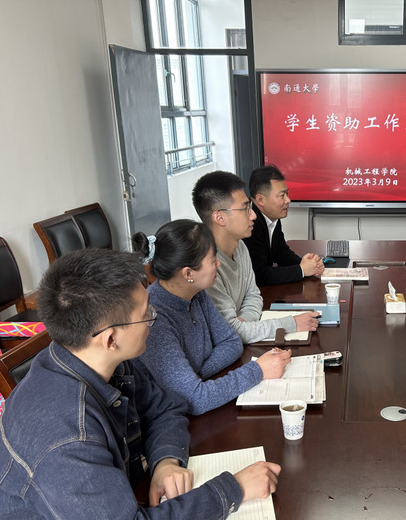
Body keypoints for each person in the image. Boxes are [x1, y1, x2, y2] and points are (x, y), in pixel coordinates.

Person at [0, 248, 281, 520]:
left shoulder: (98, 358)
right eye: (147, 315)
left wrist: (166, 461)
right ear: (110, 339)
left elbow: (165, 408)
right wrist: (233, 489)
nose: (153, 320)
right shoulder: (66, 434)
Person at [132, 220, 292, 415]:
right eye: (212, 259)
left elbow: (232, 342)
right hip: (165, 419)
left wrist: (197, 375)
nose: (218, 264)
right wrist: (257, 370)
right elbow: (195, 400)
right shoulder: (154, 318)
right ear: (188, 273)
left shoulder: (196, 293)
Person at [192, 170, 320, 343]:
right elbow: (230, 333)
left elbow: (253, 295)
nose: (253, 215)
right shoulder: (204, 266)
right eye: (245, 208)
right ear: (219, 217)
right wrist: (292, 323)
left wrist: (244, 324)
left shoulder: (240, 246)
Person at [244, 164, 325, 285]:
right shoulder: (249, 225)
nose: (288, 200)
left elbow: (281, 253)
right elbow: (260, 275)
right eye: (282, 196)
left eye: (287, 194)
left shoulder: (272, 216)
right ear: (260, 200)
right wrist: (302, 270)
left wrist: (308, 264)